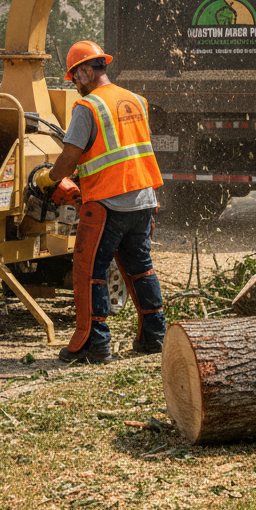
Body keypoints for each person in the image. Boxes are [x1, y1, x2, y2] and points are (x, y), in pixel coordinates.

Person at [34, 40, 166, 364]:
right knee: (141, 270)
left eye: (76, 77)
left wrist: (48, 180)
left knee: (90, 271)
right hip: (144, 199)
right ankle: (154, 337)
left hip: (109, 203)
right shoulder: (137, 100)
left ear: (86, 70)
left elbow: (68, 159)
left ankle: (94, 344)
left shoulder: (88, 107)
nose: (75, 85)